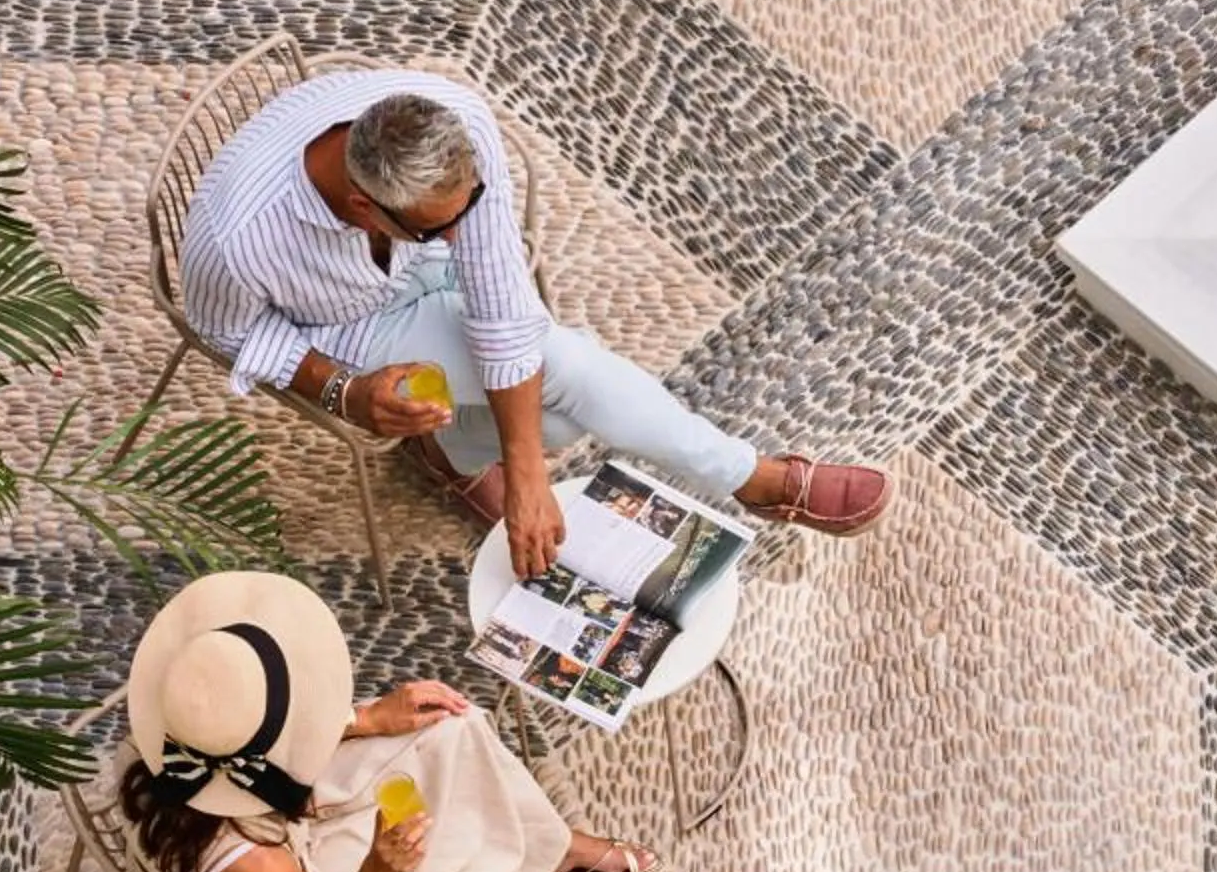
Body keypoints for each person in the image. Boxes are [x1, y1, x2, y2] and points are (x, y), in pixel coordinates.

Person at [177, 64, 890, 578]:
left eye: (471, 209)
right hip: (347, 323)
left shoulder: (452, 127)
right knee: (567, 385)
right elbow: (229, 332)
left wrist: (525, 476)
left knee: (552, 417)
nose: (463, 239)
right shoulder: (235, 240)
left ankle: (458, 456)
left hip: (410, 276)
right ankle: (754, 477)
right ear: (366, 209)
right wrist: (344, 392)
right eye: (439, 229)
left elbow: (503, 314)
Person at [117, 571, 658, 872]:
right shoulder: (258, 868)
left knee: (452, 727)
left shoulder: (173, 715)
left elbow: (261, 735)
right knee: (452, 823)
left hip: (256, 811)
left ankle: (552, 843)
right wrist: (381, 866)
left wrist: (368, 718)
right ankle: (557, 848)